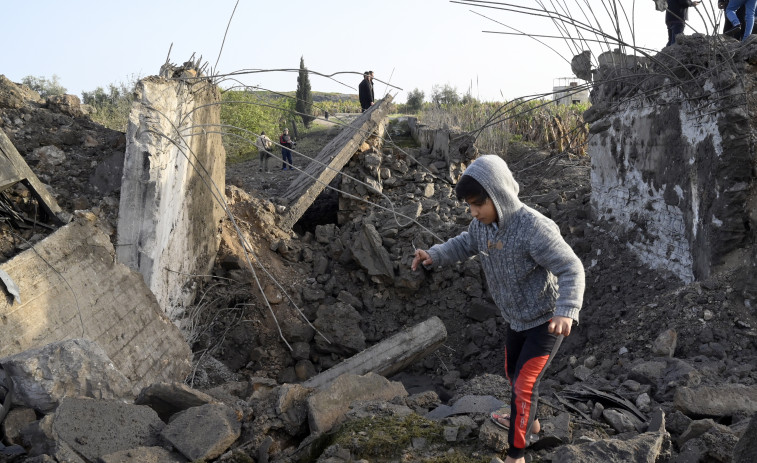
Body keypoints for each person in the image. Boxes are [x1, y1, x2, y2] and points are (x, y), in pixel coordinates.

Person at [411, 155, 585, 463]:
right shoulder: (481, 227)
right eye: (470, 205)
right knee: (512, 373)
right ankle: (530, 422)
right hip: (515, 319)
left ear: (499, 195)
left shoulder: (534, 229)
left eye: (478, 204)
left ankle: (516, 454)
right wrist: (434, 255)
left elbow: (571, 267)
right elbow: (463, 244)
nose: (473, 212)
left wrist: (566, 309)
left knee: (524, 384)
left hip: (546, 321)